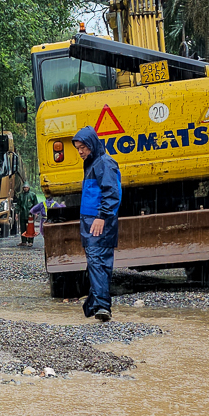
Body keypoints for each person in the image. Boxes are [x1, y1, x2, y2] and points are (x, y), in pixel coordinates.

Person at [71, 126, 121, 322]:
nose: (81, 152)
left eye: (83, 147)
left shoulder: (104, 164)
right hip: (96, 221)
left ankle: (101, 305)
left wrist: (101, 216)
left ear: (92, 143)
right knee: (101, 263)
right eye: (78, 148)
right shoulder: (95, 163)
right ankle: (97, 304)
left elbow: (112, 192)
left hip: (98, 222)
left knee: (96, 261)